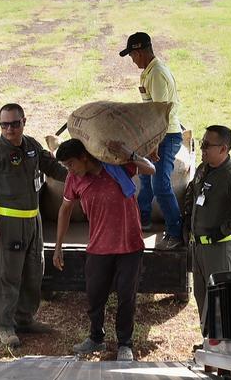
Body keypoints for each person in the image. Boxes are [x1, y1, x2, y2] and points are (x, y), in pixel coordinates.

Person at [0, 103, 69, 348]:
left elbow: (54, 168)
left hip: (33, 220)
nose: (9, 129)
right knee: (8, 274)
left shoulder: (32, 147)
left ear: (24, 121)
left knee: (34, 270)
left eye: (14, 124)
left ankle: (24, 319)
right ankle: (5, 326)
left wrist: (79, 176)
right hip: (9, 221)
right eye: (4, 125)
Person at [53, 138, 156, 361]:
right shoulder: (74, 179)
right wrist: (58, 246)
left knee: (126, 296)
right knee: (95, 295)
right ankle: (95, 338)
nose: (69, 170)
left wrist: (129, 153)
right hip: (99, 247)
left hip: (130, 245)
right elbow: (65, 210)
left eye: (71, 164)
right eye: (66, 167)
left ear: (84, 157)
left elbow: (151, 168)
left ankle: (124, 344)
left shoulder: (116, 167)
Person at [182, 125, 231, 328]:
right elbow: (194, 193)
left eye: (207, 145)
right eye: (202, 143)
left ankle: (224, 347)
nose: (202, 148)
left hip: (219, 249)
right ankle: (209, 343)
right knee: (202, 298)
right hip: (199, 248)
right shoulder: (203, 169)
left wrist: (223, 231)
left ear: (223, 149)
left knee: (221, 303)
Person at [119, 31, 184, 249]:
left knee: (160, 185)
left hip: (166, 136)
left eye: (132, 55)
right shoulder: (148, 72)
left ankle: (176, 232)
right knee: (144, 177)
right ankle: (143, 219)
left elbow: (159, 114)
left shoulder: (156, 73)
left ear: (140, 51)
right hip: (155, 135)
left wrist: (154, 145)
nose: (132, 60)